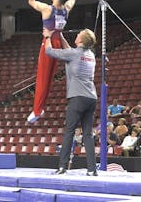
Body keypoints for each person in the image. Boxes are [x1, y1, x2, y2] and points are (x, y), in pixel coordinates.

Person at [43, 27, 97, 176]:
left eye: (79, 33)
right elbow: (69, 50)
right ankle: (92, 170)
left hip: (77, 97)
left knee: (69, 132)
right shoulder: (90, 54)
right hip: (91, 97)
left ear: (81, 39)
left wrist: (48, 37)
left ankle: (62, 167)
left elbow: (49, 52)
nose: (77, 34)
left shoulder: (73, 54)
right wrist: (60, 35)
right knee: (88, 134)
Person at [27, 0, 76, 123]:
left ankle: (36, 111)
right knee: (48, 78)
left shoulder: (48, 9)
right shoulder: (66, 9)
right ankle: (39, 109)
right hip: (58, 44)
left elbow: (30, 1)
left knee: (42, 77)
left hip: (48, 44)